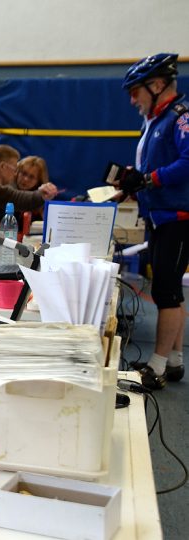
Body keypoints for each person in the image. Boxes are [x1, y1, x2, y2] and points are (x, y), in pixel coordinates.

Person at [118, 52, 188, 390]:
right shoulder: (156, 120)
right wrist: (136, 182)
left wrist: (151, 179)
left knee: (166, 291)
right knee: (171, 290)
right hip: (160, 216)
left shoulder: (180, 117)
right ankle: (174, 360)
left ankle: (157, 366)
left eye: (136, 91)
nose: (133, 100)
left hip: (178, 217)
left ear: (157, 85)